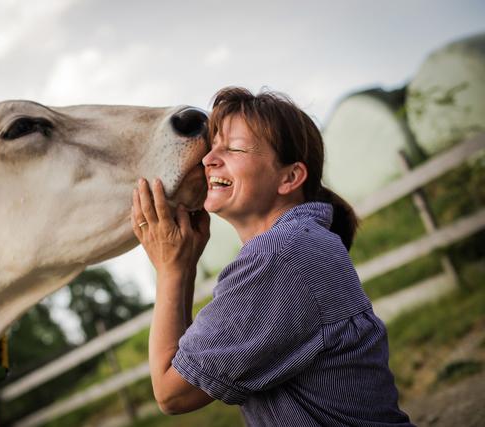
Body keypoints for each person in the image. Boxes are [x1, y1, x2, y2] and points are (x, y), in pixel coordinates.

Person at [130, 87, 413, 426]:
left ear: (290, 177)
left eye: (233, 148)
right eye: (213, 147)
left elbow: (172, 393)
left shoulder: (281, 254)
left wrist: (170, 269)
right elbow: (191, 362)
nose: (208, 159)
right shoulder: (301, 242)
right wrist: (185, 264)